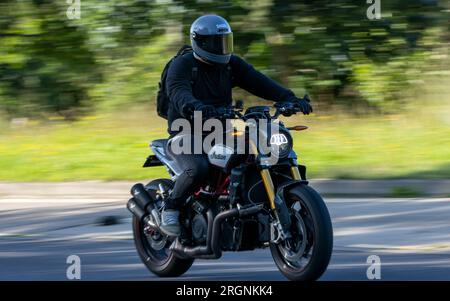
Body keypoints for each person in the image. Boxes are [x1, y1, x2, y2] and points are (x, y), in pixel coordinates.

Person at [160, 14, 312, 236]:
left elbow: (259, 81)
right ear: (200, 42)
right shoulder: (182, 65)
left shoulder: (231, 64)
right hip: (186, 130)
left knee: (253, 153)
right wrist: (195, 106)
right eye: (215, 43)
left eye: (225, 41)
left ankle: (242, 203)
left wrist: (290, 98)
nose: (221, 48)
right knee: (199, 168)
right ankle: (170, 207)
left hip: (221, 130)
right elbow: (178, 92)